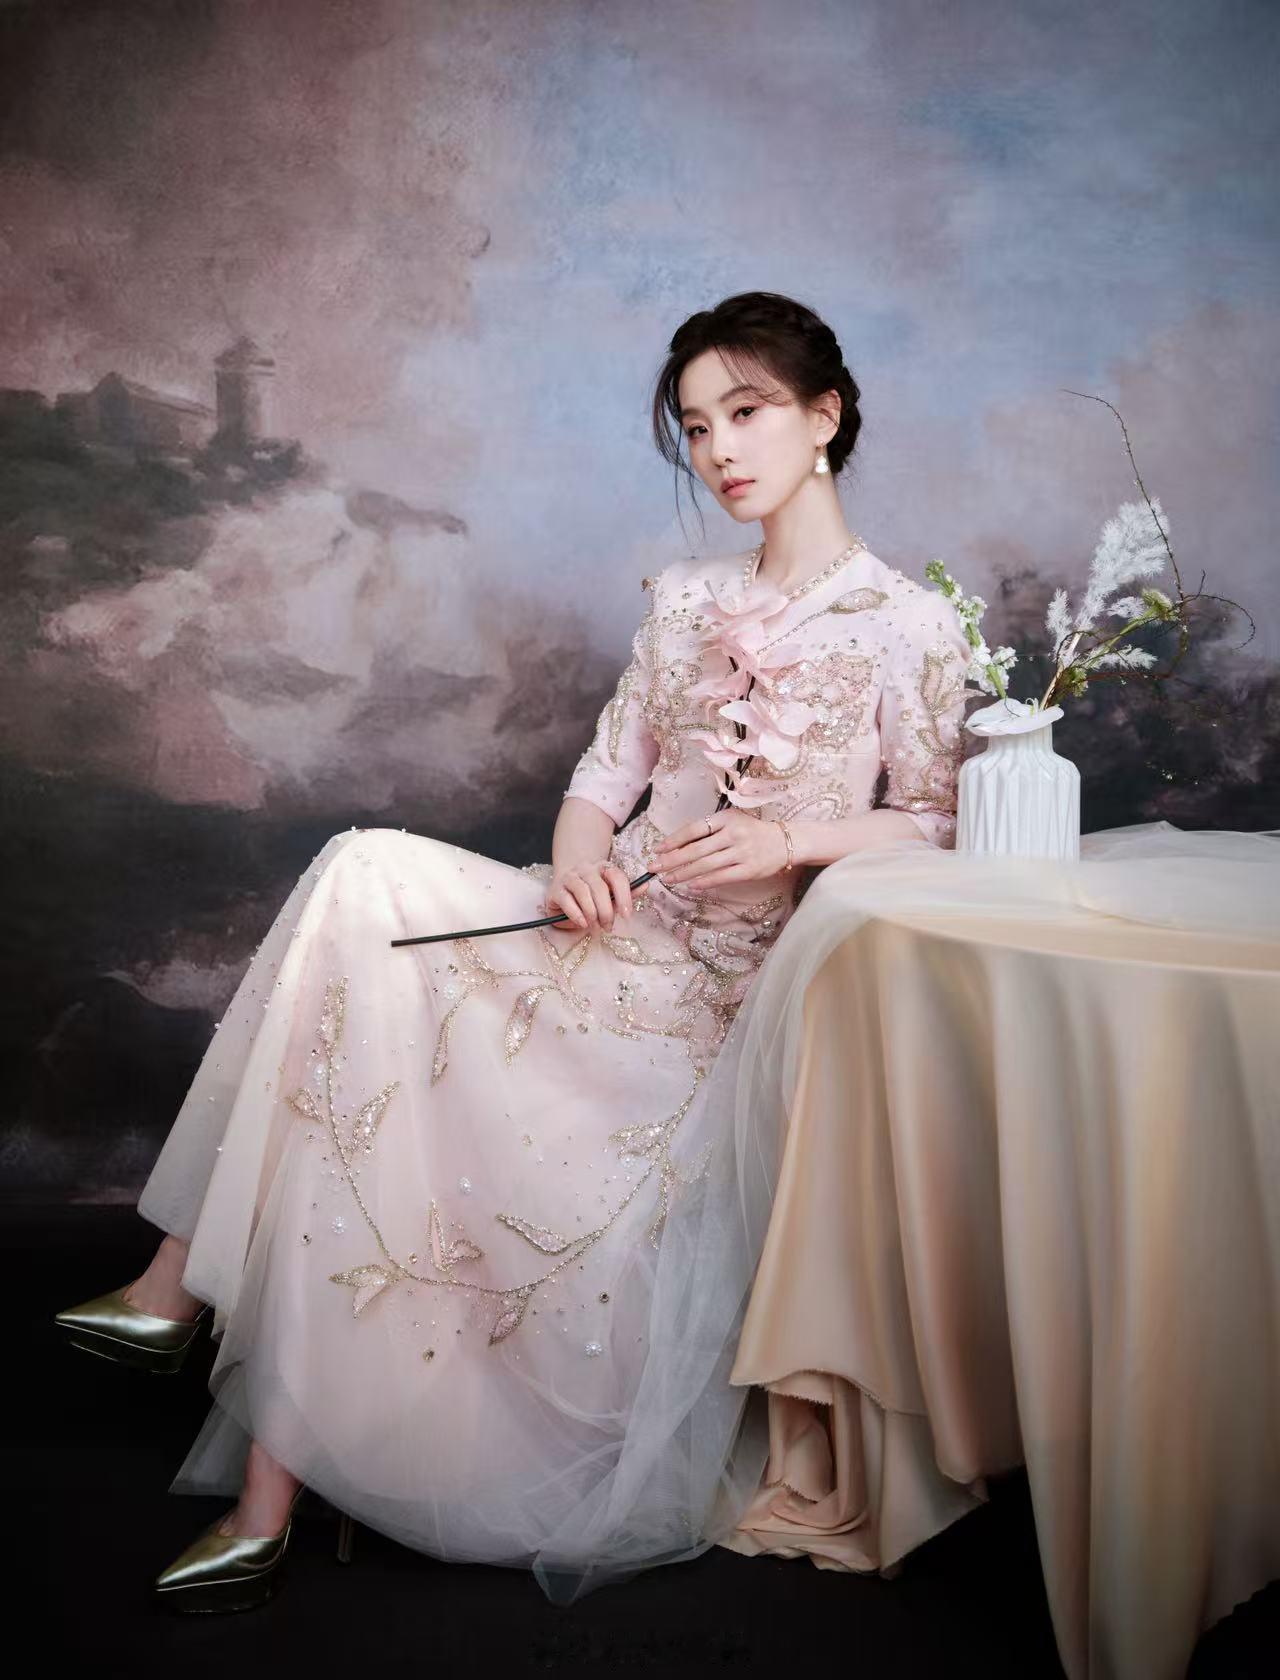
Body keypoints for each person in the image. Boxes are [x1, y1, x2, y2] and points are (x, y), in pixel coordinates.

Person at [54, 289, 973, 1612]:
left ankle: (195, 1346)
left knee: (370, 969)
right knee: (362, 885)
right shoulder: (686, 600)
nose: (719, 449)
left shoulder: (909, 622)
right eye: (695, 426)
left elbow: (935, 819)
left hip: (725, 1007)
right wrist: (584, 860)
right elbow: (602, 782)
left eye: (748, 411)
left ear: (824, 417)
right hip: (598, 931)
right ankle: (205, 1365)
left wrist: (792, 839)